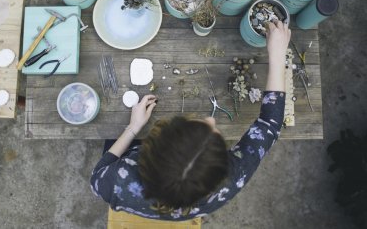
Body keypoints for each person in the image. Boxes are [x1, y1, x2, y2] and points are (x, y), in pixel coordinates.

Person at [90, 20, 291, 221]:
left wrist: (133, 128)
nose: (212, 120)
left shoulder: (116, 182)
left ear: (153, 145)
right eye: (216, 134)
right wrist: (278, 55)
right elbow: (269, 125)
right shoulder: (231, 180)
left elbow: (98, 173)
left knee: (112, 138)